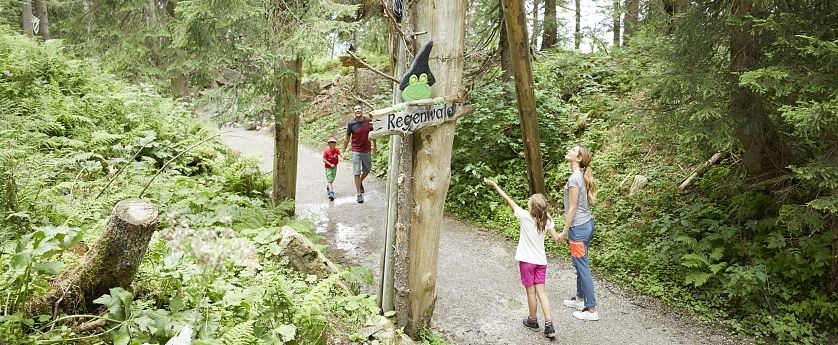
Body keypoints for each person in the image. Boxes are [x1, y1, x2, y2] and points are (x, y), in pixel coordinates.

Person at [484, 178, 559, 339]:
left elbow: (507, 199)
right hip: (541, 262)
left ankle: (532, 320)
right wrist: (565, 233)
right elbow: (557, 238)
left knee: (531, 292)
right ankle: (549, 324)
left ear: (531, 207)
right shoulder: (548, 220)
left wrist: (495, 185)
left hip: (527, 262)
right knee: (542, 292)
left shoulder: (524, 216)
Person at [555, 145, 600, 321]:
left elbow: (572, 209)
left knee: (582, 266)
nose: (569, 150)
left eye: (573, 150)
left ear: (579, 158)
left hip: (578, 229)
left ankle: (592, 309)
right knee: (580, 264)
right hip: (586, 225)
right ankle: (580, 300)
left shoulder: (575, 179)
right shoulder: (579, 176)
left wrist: (564, 232)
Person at [342, 102, 375, 203]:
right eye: (355, 109)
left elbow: (373, 133)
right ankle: (359, 194)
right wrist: (343, 151)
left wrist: (375, 145)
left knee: (367, 169)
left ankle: (359, 181)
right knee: (356, 172)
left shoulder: (368, 121)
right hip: (356, 150)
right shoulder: (351, 123)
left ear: (362, 110)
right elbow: (347, 138)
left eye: (359, 109)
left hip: (366, 149)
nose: (357, 110)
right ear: (354, 111)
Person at [322, 137, 341, 201]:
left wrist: (343, 156)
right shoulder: (326, 151)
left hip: (335, 167)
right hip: (328, 168)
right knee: (330, 180)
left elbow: (340, 153)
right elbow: (324, 159)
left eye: (333, 145)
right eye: (331, 145)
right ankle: (331, 193)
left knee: (332, 179)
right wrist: (330, 164)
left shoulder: (336, 150)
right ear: (328, 144)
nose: (332, 146)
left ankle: (328, 187)